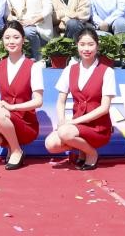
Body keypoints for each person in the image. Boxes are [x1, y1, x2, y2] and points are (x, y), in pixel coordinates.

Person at [44, 28, 115, 170]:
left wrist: (73, 122)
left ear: (97, 46)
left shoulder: (107, 71)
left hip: (98, 127)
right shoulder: (69, 70)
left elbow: (104, 108)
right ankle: (83, 150)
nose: (86, 49)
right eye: (82, 44)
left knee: (65, 133)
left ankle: (91, 153)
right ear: (77, 46)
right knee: (51, 144)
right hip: (76, 126)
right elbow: (61, 101)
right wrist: (62, 121)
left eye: (90, 44)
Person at [0, 21, 44, 170]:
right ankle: (15, 148)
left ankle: (15, 151)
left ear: (23, 39)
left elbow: (38, 101)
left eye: (16, 37)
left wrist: (12, 107)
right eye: (7, 38)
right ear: (2, 40)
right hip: (3, 119)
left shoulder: (33, 67)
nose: (11, 41)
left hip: (25, 122)